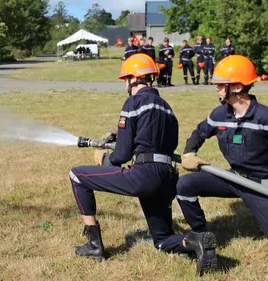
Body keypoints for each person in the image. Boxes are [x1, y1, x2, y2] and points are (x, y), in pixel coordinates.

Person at [68, 53, 218, 276]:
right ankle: (196, 242)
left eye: (126, 79)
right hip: (168, 178)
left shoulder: (134, 102)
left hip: (144, 176)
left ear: (132, 79)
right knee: (162, 239)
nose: (125, 85)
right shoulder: (167, 108)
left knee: (77, 176)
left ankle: (94, 244)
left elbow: (121, 155)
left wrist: (104, 160)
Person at [176, 54, 268, 259]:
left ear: (238, 87)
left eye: (222, 85)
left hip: (263, 187)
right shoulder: (219, 114)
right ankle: (202, 233)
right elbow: (199, 133)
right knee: (184, 186)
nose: (217, 88)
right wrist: (189, 152)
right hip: (234, 178)